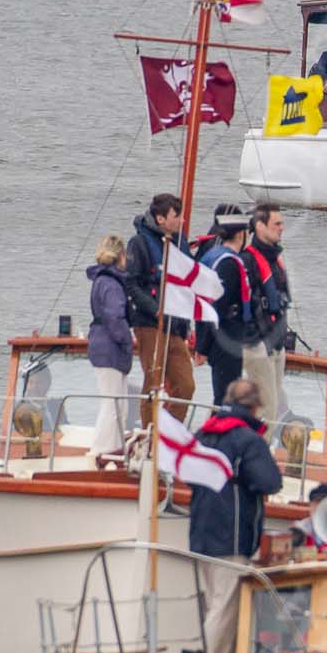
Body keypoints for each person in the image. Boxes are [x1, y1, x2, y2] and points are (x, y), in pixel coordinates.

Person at [188, 379, 285, 653]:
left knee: (213, 603)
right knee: (224, 606)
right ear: (255, 407)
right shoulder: (247, 440)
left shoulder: (204, 435)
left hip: (201, 534)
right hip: (231, 537)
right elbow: (269, 482)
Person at [122, 192, 195, 428]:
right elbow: (131, 284)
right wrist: (155, 311)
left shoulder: (180, 243)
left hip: (176, 324)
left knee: (185, 385)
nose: (182, 221)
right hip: (150, 323)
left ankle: (168, 431)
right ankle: (149, 434)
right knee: (153, 381)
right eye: (177, 216)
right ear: (161, 219)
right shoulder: (139, 244)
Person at [84, 235, 135, 465]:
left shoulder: (100, 281)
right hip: (110, 347)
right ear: (121, 256)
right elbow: (115, 317)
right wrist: (127, 340)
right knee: (113, 403)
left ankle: (112, 449)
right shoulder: (112, 284)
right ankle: (101, 452)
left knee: (118, 403)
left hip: (101, 343)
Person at [199, 206, 255, 405]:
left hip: (223, 335)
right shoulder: (228, 264)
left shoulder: (214, 256)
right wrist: (203, 348)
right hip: (226, 337)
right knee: (225, 397)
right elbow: (217, 307)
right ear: (241, 234)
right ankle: (218, 433)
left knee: (224, 396)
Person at [243, 203, 290, 421]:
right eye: (277, 223)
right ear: (260, 226)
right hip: (258, 343)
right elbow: (246, 303)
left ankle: (261, 449)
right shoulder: (248, 260)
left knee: (273, 409)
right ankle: (255, 453)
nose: (282, 228)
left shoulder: (275, 261)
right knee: (266, 409)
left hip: (276, 344)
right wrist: (256, 340)